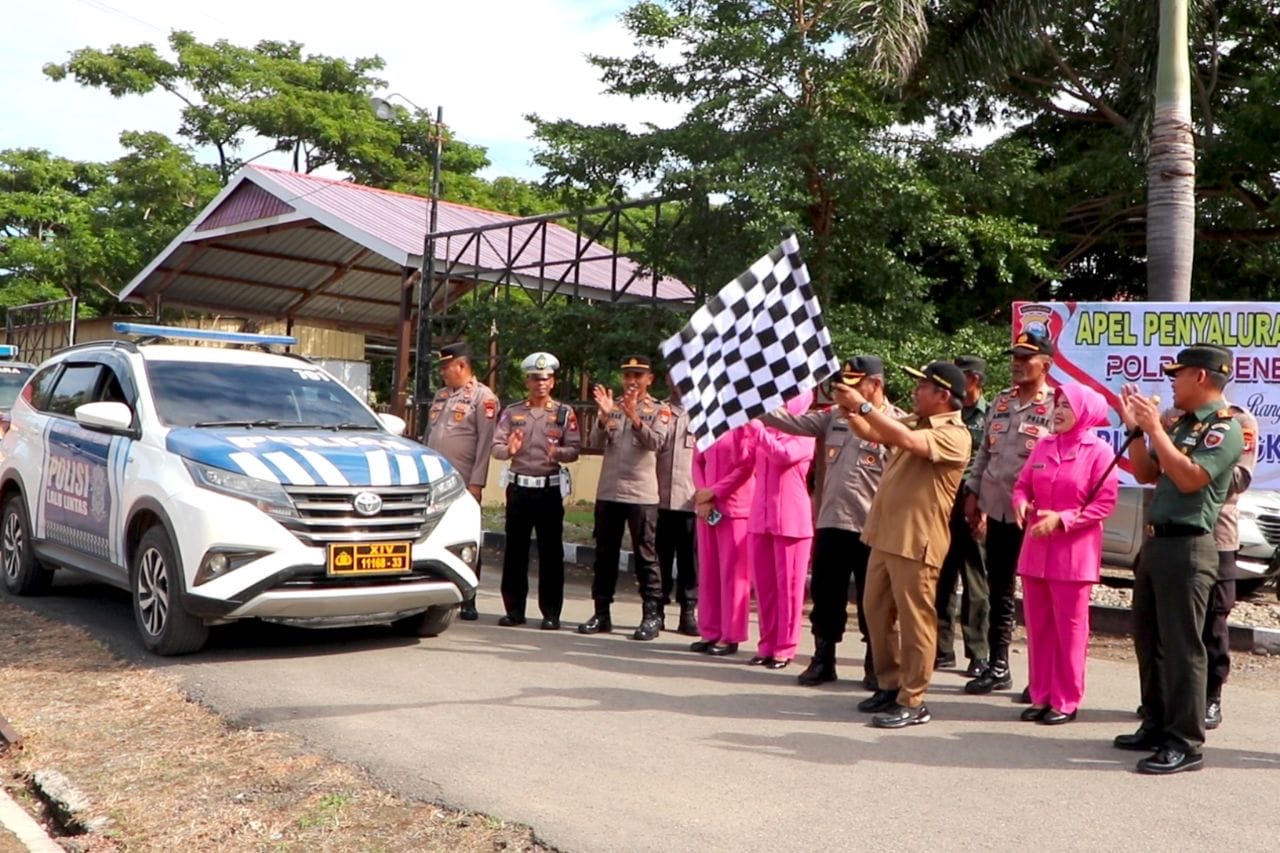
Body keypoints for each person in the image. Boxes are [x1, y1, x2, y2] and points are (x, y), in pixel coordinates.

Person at [1114, 345, 1244, 774]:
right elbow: (1147, 473)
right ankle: (1155, 723)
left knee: (1184, 646)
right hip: (1157, 541)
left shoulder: (1224, 429)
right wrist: (1137, 431)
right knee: (1149, 639)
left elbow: (1190, 479)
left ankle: (1185, 741)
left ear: (1202, 377)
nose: (1172, 380)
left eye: (1179, 373)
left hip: (1189, 546)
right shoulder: (1182, 424)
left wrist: (1158, 430)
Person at [838, 361, 971, 729]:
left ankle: (913, 699)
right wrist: (850, 410)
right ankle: (889, 684)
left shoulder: (955, 434)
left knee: (916, 622)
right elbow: (876, 433)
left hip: (917, 541)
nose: (916, 391)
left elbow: (904, 440)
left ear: (943, 395)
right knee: (875, 612)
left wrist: (863, 406)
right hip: (886, 535)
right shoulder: (917, 420)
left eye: (923, 386)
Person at [760, 356, 904, 688]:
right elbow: (789, 422)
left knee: (875, 601)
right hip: (831, 521)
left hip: (873, 527)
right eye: (844, 384)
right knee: (826, 595)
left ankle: (875, 663)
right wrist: (751, 402)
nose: (846, 391)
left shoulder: (895, 422)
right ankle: (824, 658)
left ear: (876, 385)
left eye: (855, 385)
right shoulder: (832, 418)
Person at [1150, 392, 1258, 732]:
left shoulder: (1237, 422)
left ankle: (1210, 696)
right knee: (1161, 626)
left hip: (1216, 533)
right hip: (1169, 534)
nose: (1174, 385)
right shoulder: (1174, 419)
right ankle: (1166, 705)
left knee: (1212, 622)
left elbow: (1236, 480)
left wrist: (1193, 467)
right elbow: (1155, 471)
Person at [1012, 383, 1117, 725]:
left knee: (1070, 631)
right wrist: (1021, 502)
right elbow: (1023, 485)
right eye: (1057, 404)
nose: (1057, 411)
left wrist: (1064, 519)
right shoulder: (1043, 445)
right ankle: (1041, 695)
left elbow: (1103, 503)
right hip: (1036, 550)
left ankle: (1066, 701)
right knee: (1038, 627)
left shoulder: (1099, 452)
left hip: (1073, 554)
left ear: (1084, 413)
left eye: (1066, 406)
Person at [964, 331, 1054, 696]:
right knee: (1000, 589)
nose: (1016, 363)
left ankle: (1042, 675)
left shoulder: (1056, 406)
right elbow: (984, 453)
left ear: (1045, 364)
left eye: (1025, 357)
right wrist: (973, 491)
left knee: (1035, 596)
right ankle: (998, 663)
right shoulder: (1001, 402)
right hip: (997, 510)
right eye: (1014, 356)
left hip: (1033, 517)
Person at [580, 355, 671, 640]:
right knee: (604, 555)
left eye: (638, 376)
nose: (632, 381)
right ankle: (602, 612)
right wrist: (604, 418)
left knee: (646, 555)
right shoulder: (613, 406)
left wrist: (633, 416)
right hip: (609, 491)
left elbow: (657, 442)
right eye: (628, 375)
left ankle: (652, 615)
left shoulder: (659, 409)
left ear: (649, 379)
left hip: (641, 495)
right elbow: (593, 444)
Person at [490, 352, 581, 630]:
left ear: (552, 382)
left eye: (546, 378)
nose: (540, 383)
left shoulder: (564, 413)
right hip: (519, 489)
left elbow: (575, 450)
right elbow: (496, 447)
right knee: (515, 552)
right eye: (535, 378)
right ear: (527, 381)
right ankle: (514, 610)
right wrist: (510, 450)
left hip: (548, 490)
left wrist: (559, 452)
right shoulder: (512, 412)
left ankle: (551, 613)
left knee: (550, 554)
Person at [423, 342, 500, 621]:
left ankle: (469, 598)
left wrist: (477, 483)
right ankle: (434, 593)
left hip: (463, 481)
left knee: (466, 539)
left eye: (446, 367)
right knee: (433, 536)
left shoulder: (483, 397)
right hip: (435, 481)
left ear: (462, 366)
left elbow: (485, 443)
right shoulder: (441, 395)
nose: (443, 372)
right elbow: (430, 434)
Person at [746, 392, 816, 669]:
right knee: (763, 587)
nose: (779, 405)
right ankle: (766, 644)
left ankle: (784, 648)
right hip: (760, 517)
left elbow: (783, 456)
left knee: (788, 588)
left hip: (791, 519)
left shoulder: (804, 430)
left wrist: (757, 429)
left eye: (786, 400)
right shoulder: (767, 428)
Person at [934, 355, 991, 676]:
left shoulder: (991, 413)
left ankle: (977, 652)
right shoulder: (947, 411)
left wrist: (982, 503)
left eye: (961, 375)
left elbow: (990, 463)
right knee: (942, 578)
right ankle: (942, 649)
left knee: (976, 583)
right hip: (943, 504)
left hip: (974, 506)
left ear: (974, 380)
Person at [690, 425, 756, 655]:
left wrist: (715, 491)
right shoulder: (709, 421)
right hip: (707, 508)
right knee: (708, 571)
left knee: (733, 574)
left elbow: (746, 466)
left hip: (736, 507)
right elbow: (697, 461)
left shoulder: (747, 424)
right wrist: (703, 495)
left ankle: (731, 635)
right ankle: (709, 631)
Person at [656, 374, 699, 635]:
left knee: (690, 561)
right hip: (657, 498)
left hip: (691, 500)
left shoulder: (706, 414)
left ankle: (688, 613)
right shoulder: (657, 411)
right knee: (658, 559)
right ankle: (655, 611)